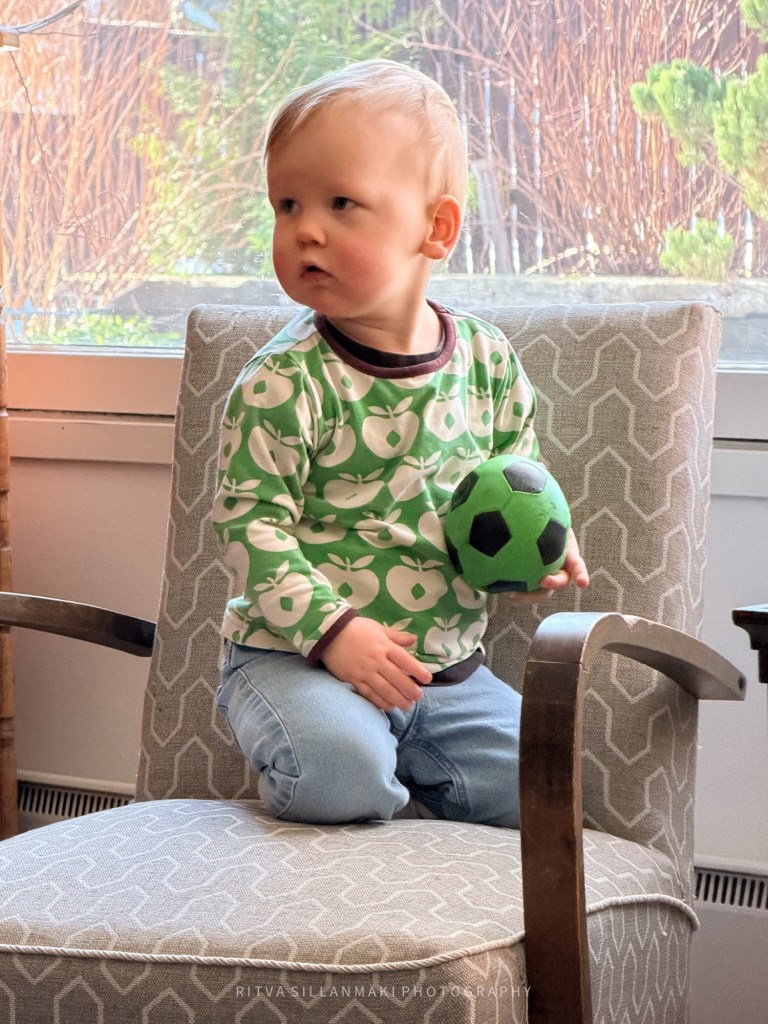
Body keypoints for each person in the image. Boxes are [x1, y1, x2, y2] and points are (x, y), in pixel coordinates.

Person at [212, 59, 589, 827]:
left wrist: (538, 552)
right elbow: (249, 527)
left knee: (549, 789)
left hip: (445, 672)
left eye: (340, 203)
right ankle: (359, 777)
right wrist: (333, 633)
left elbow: (513, 480)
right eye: (286, 204)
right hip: (297, 660)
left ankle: (409, 781)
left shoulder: (487, 363)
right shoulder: (283, 382)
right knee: (337, 772)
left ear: (435, 228)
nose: (304, 228)